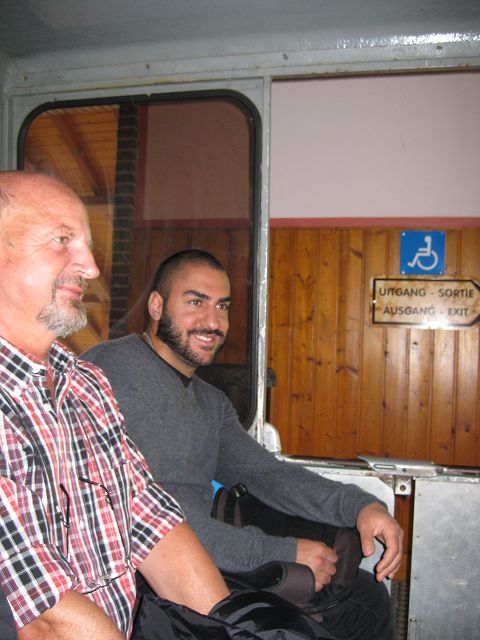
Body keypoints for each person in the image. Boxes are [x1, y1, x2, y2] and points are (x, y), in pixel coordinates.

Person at [84, 249, 404, 639]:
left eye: (222, 306)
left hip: (200, 558)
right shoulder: (110, 372)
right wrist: (281, 551)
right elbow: (147, 517)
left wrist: (360, 505)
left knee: (364, 596)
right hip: (144, 581)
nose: (213, 322)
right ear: (156, 306)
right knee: (345, 616)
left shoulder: (209, 402)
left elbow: (266, 474)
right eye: (195, 302)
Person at [0, 173, 230, 640]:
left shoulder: (87, 384)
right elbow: (43, 617)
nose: (90, 267)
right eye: (62, 240)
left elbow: (151, 521)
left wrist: (228, 630)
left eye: (87, 246)